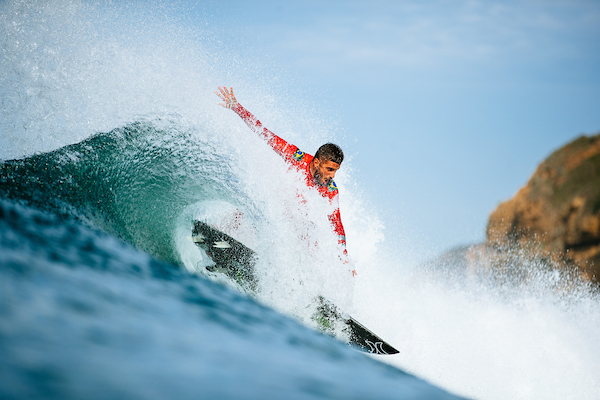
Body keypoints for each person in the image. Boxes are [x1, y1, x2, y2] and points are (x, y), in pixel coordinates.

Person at [216, 86, 356, 277]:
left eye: (335, 171)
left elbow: (337, 225)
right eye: (329, 169)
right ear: (316, 162)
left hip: (294, 218)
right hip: (274, 204)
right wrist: (237, 107)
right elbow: (265, 134)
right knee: (256, 201)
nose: (332, 176)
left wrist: (344, 258)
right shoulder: (297, 158)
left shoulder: (330, 189)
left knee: (311, 235)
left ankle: (304, 278)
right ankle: (222, 231)